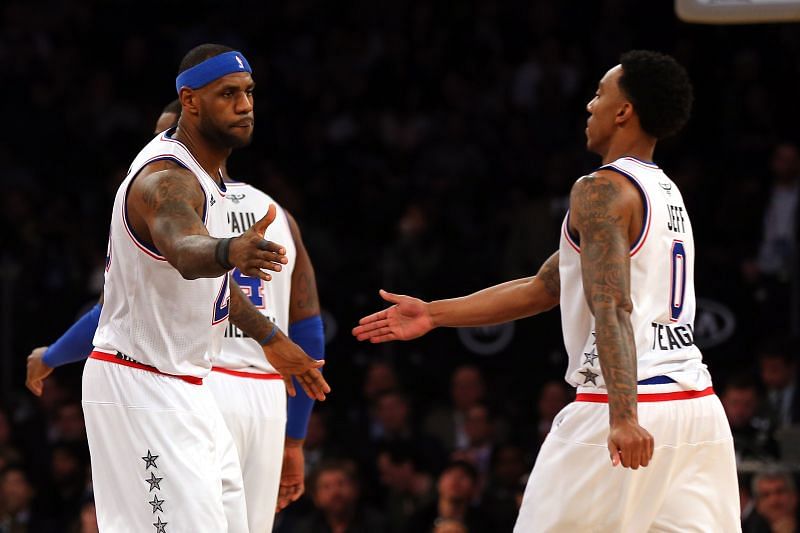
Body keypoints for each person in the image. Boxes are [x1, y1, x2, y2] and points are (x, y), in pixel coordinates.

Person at [353, 50, 740, 531]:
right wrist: (434, 313)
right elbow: (548, 285)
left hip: (626, 407)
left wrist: (622, 417)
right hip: (697, 409)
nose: (589, 106)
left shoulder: (599, 190)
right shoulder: (665, 191)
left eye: (600, 94)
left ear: (624, 111)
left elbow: (612, 306)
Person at [28, 43, 329, 532]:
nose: (245, 105)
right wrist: (229, 251)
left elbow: (205, 287)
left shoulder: (206, 178)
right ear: (189, 101)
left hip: (190, 385)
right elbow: (184, 248)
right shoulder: (165, 179)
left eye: (249, 92)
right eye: (227, 94)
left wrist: (272, 340)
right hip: (140, 381)